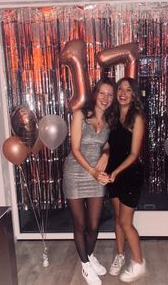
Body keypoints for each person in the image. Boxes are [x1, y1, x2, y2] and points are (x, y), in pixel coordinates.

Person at [63, 78, 115, 285]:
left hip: (96, 173)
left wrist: (106, 154)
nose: (106, 98)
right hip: (76, 173)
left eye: (110, 95)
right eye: (102, 93)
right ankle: (85, 264)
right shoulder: (80, 115)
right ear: (95, 94)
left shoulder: (109, 121)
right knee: (80, 223)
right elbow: (75, 149)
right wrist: (92, 172)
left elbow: (106, 143)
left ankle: (90, 255)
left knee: (94, 225)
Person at [106, 77, 146, 283]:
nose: (122, 93)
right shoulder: (111, 117)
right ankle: (120, 256)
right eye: (120, 89)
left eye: (128, 90)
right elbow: (107, 147)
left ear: (133, 95)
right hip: (113, 175)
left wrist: (116, 172)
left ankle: (139, 263)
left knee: (125, 222)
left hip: (130, 174)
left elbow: (133, 154)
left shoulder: (137, 118)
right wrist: (104, 166)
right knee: (117, 219)